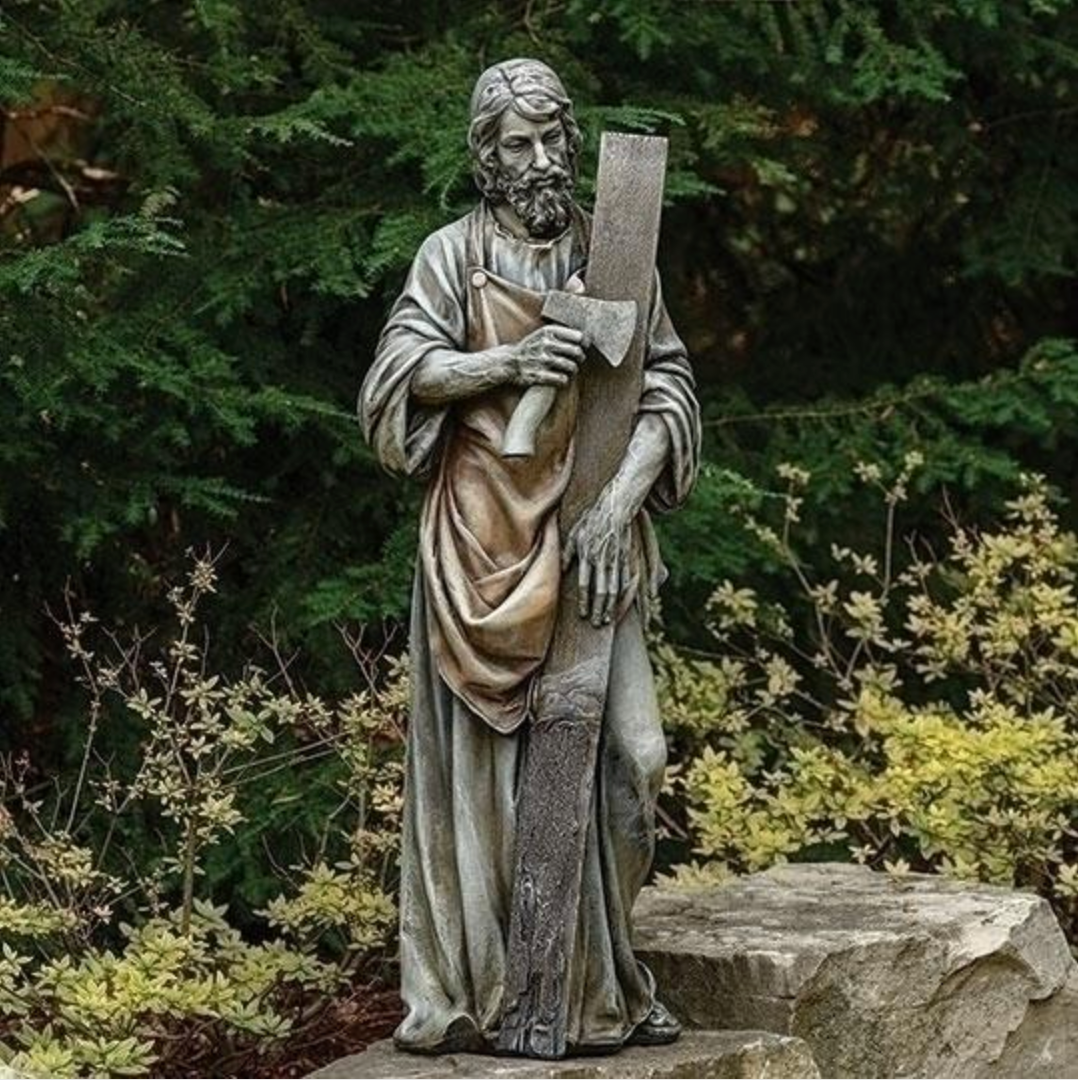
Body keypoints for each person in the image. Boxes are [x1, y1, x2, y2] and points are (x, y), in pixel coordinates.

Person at [359, 57, 700, 1056]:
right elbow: (394, 382)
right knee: (491, 795)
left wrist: (618, 504)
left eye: (555, 138)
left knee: (634, 761)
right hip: (482, 551)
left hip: (593, 547)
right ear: (484, 156)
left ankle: (609, 978)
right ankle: (514, 994)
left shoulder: (617, 253)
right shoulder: (449, 258)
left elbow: (667, 390)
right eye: (520, 143)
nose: (544, 159)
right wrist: (503, 363)